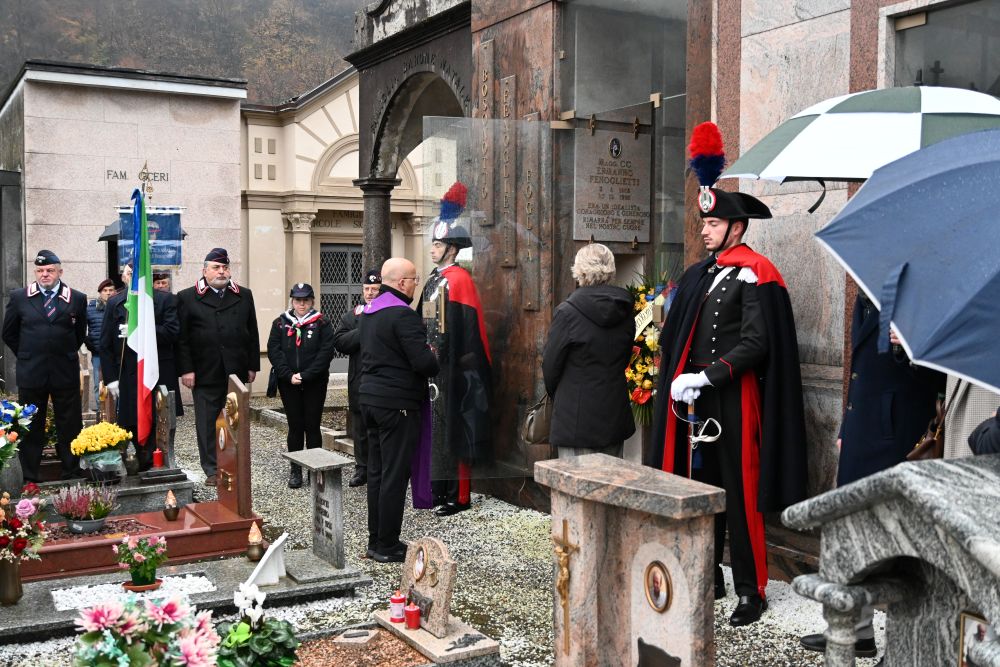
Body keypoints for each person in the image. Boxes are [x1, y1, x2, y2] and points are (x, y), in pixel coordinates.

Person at [646, 187, 808, 627]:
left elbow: (757, 343)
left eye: (713, 224)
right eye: (704, 224)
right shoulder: (704, 272)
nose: (705, 231)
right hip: (699, 398)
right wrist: (685, 378)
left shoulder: (757, 273)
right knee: (704, 484)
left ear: (737, 228)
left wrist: (707, 375)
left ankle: (751, 589)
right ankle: (709, 574)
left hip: (735, 394)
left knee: (740, 488)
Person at [798, 294, 942, 658]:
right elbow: (858, 368)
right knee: (850, 530)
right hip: (864, 428)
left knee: (897, 540)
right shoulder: (867, 293)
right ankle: (856, 630)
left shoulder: (923, 296)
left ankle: (904, 645)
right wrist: (848, 423)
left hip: (898, 433)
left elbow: (939, 376)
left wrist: (913, 347)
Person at [359, 257, 439, 563]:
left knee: (377, 473)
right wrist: (434, 355)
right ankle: (387, 544)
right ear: (402, 283)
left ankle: (376, 539)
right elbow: (423, 362)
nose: (415, 285)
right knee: (394, 475)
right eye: (414, 280)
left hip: (370, 400)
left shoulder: (369, 311)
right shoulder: (403, 315)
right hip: (397, 405)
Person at [418, 190, 493, 516]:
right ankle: (439, 489)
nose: (432, 249)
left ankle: (458, 495)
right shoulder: (436, 280)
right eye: (433, 244)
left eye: (437, 245)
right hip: (435, 368)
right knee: (437, 432)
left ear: (451, 248)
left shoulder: (458, 280)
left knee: (454, 430)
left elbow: (465, 330)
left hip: (455, 370)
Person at [2, 249, 88, 481]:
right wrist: (27, 354)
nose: (44, 274)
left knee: (69, 422)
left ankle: (71, 469)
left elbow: (79, 333)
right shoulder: (20, 297)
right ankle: (30, 473)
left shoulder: (77, 298)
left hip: (64, 369)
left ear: (60, 271)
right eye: (40, 270)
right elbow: (8, 332)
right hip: (32, 371)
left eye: (49, 270)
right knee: (31, 424)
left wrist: (61, 352)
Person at [542, 243, 634, 458]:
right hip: (613, 412)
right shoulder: (624, 308)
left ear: (579, 270)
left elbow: (550, 367)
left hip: (575, 415)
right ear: (610, 269)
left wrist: (565, 395)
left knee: (575, 488)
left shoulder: (567, 312)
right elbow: (624, 358)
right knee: (612, 485)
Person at [176, 248, 260, 486]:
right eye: (216, 267)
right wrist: (186, 369)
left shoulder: (244, 295)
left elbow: (251, 332)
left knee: (236, 418)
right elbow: (182, 339)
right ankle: (212, 469)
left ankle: (236, 463)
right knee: (207, 421)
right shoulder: (187, 297)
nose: (221, 272)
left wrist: (252, 365)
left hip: (236, 369)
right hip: (204, 371)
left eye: (225, 267)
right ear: (204, 271)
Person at [99, 262, 180, 470]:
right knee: (131, 421)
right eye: (129, 273)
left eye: (138, 274)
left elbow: (172, 332)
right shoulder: (115, 302)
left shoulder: (165, 300)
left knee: (159, 421)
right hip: (126, 374)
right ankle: (139, 460)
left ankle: (159, 462)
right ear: (124, 277)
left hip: (157, 373)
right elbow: (105, 344)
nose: (133, 277)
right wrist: (111, 379)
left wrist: (141, 330)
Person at [267, 283, 336, 488]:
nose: (302, 304)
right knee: (295, 426)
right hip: (289, 383)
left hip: (314, 382)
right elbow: (274, 350)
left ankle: (315, 471)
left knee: (313, 426)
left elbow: (326, 352)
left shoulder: (322, 322)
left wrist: (306, 375)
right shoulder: (280, 323)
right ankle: (295, 470)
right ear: (292, 301)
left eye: (305, 300)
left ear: (312, 301)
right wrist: (289, 375)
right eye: (298, 300)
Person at [333, 268, 382, 488]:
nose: (370, 293)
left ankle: (380, 468)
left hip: (382, 381)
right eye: (367, 289)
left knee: (380, 429)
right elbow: (341, 342)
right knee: (360, 429)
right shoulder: (352, 316)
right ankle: (361, 468)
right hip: (359, 380)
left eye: (375, 289)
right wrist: (364, 326)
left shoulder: (388, 313)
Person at [152, 271, 184, 418]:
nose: (160, 286)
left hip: (167, 355)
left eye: (163, 283)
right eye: (157, 283)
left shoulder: (172, 300)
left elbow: (174, 330)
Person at [85, 278, 116, 408]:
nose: (108, 293)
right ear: (100, 292)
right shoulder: (91, 308)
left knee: (116, 383)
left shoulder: (119, 305)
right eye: (105, 290)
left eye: (111, 290)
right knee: (99, 383)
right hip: (98, 353)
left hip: (116, 353)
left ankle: (117, 412)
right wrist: (88, 342)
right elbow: (82, 327)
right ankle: (100, 411)